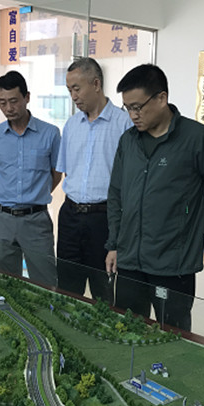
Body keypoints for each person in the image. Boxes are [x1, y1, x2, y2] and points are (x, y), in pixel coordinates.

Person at [105, 64, 204, 331]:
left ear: (162, 98)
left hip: (173, 264)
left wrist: (196, 226)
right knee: (127, 331)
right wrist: (114, 244)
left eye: (138, 107)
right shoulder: (128, 141)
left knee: (173, 336)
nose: (133, 115)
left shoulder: (196, 138)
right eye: (127, 108)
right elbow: (116, 194)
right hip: (129, 260)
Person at [56, 58, 132, 303]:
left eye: (77, 89)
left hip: (104, 219)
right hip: (70, 216)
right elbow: (67, 172)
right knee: (67, 288)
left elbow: (129, 182)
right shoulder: (71, 125)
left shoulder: (124, 124)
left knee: (103, 290)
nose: (73, 96)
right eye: (69, 90)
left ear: (96, 84)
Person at [0, 71, 61, 287]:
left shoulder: (50, 134)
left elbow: (56, 174)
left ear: (27, 97)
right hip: (2, 219)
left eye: (14, 101)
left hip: (36, 220)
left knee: (44, 281)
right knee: (5, 281)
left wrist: (34, 195)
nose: (8, 108)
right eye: (2, 103)